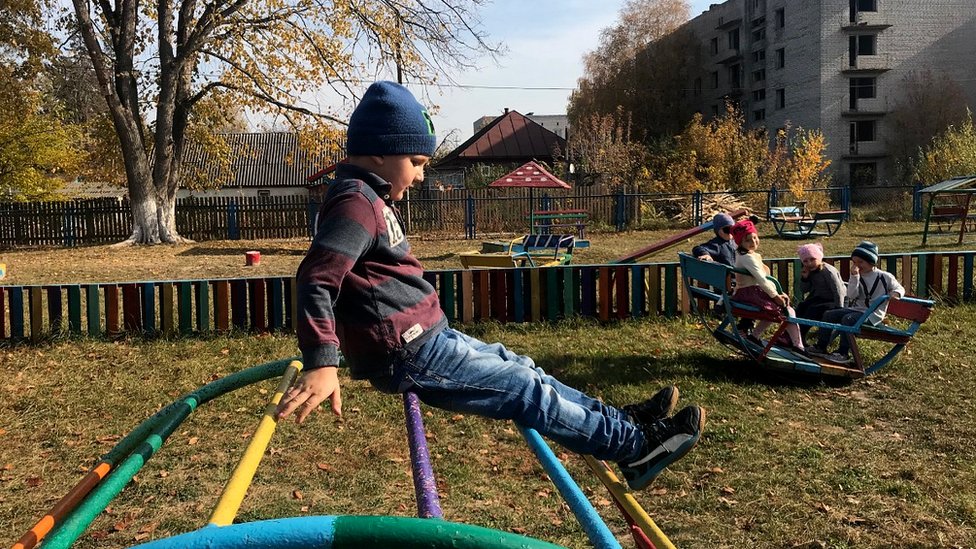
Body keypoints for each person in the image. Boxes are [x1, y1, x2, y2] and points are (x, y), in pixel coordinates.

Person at [274, 81, 706, 491]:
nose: (422, 176)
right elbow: (317, 277)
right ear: (380, 155)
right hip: (407, 352)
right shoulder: (355, 200)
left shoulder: (371, 196)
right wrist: (321, 360)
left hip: (428, 336)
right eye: (418, 164)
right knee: (524, 389)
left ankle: (619, 423)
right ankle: (633, 449)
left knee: (526, 369)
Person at [808, 241, 905, 364]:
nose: (857, 265)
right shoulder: (857, 276)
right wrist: (854, 277)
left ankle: (843, 352)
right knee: (829, 314)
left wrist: (895, 294)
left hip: (872, 314)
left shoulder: (884, 277)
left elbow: (899, 288)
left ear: (871, 262)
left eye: (861, 262)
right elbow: (852, 294)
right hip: (857, 310)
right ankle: (821, 346)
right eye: (854, 262)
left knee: (848, 319)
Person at [730, 219, 805, 352]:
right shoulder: (748, 258)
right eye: (748, 240)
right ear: (740, 242)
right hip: (750, 293)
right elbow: (762, 279)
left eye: (755, 237)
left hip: (747, 292)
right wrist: (775, 296)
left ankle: (755, 336)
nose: (753, 242)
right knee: (784, 309)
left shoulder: (745, 255)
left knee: (778, 309)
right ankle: (798, 345)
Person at [795, 243, 845, 341]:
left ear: (819, 258)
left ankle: (800, 337)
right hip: (819, 299)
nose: (809, 263)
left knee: (812, 311)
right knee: (801, 308)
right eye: (805, 261)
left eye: (812, 259)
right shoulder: (810, 271)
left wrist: (839, 308)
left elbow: (838, 290)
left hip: (834, 301)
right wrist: (805, 278)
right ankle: (793, 335)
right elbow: (805, 290)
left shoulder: (828, 271)